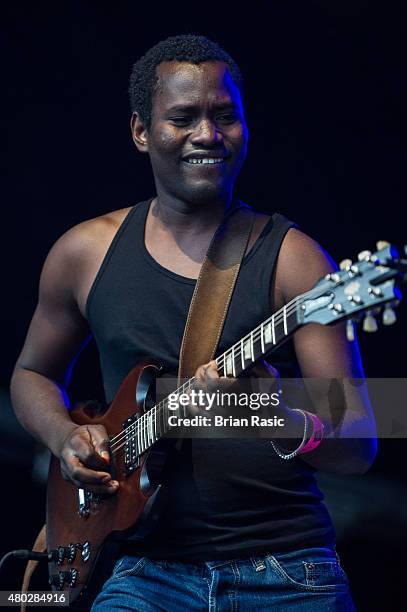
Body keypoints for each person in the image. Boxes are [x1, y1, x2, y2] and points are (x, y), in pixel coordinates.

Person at [10, 34, 377, 611]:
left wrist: (273, 414)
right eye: (183, 117)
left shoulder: (299, 260)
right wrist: (65, 437)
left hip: (287, 571)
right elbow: (30, 373)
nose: (208, 135)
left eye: (225, 117)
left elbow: (361, 440)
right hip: (145, 571)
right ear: (140, 131)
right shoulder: (83, 253)